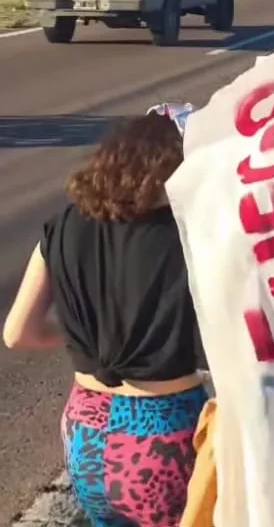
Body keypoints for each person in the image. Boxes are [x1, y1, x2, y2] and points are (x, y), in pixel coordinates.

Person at [4, 113, 208, 526]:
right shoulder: (188, 233)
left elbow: (17, 333)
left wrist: (88, 336)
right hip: (165, 434)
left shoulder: (61, 227)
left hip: (87, 433)